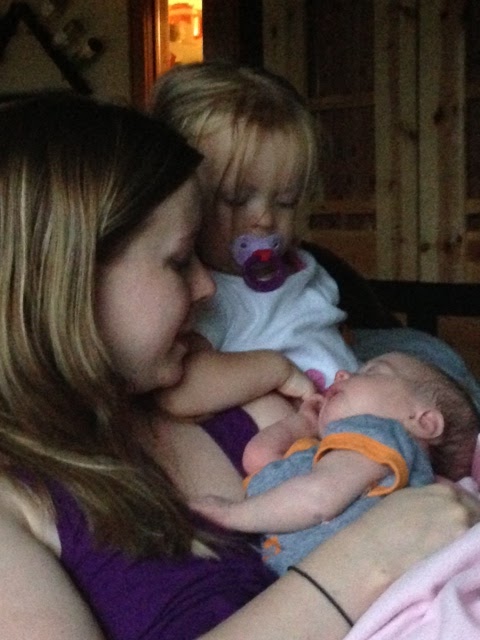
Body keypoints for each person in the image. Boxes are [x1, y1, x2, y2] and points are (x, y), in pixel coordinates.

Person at [1, 92, 479, 640]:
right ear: (64, 284)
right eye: (179, 261)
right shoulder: (15, 506)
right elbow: (395, 535)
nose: (208, 287)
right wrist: (363, 561)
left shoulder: (250, 411)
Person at [151, 60, 359, 397]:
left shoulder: (301, 264)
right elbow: (180, 389)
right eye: (235, 199)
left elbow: (324, 326)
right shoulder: (207, 297)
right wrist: (276, 372)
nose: (264, 219)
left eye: (286, 201)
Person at [191, 352, 480, 576]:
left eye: (371, 372)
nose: (342, 373)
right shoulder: (323, 455)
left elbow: (318, 497)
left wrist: (231, 514)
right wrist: (302, 423)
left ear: (423, 422)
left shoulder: (382, 437)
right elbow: (260, 460)